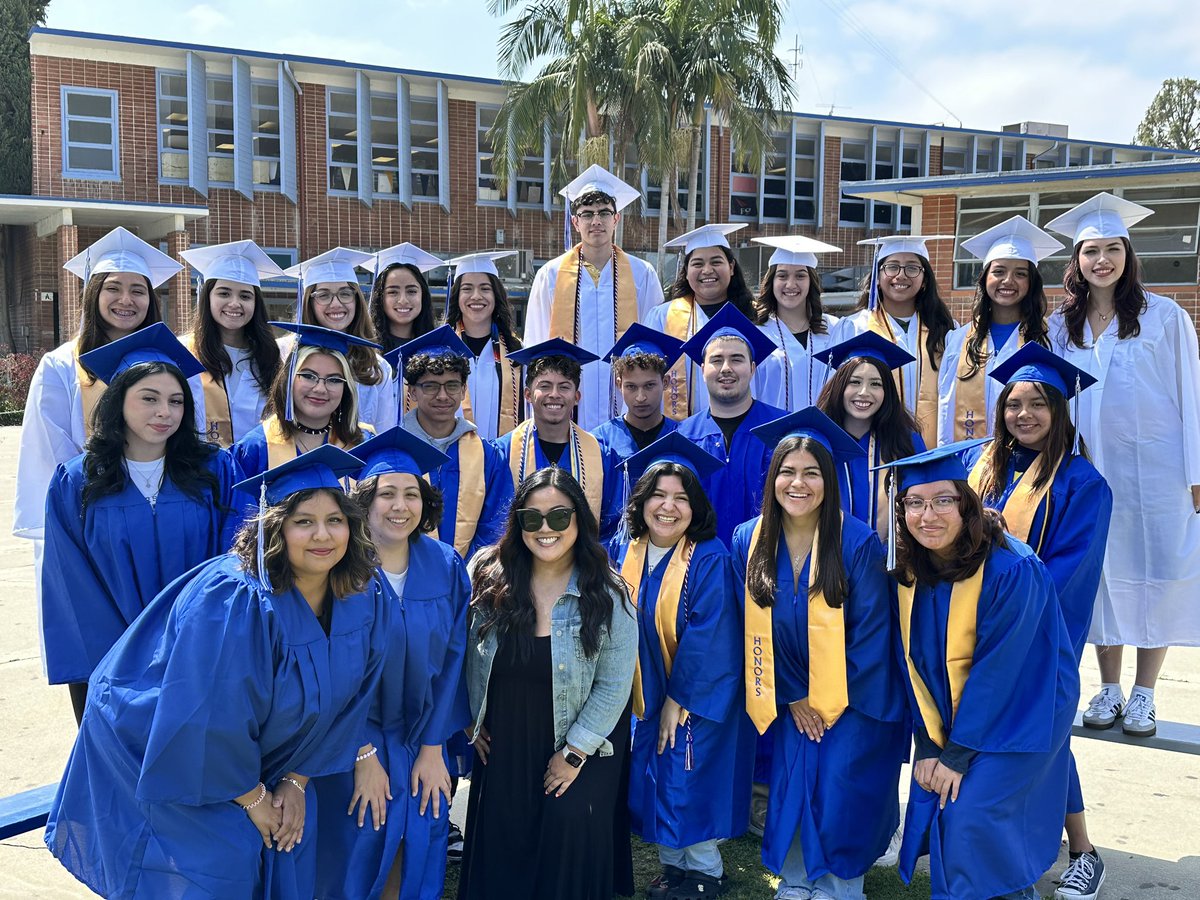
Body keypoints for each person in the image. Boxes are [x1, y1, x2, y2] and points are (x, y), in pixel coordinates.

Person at [45, 445, 389, 900]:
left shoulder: (359, 595)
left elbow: (352, 696)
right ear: (274, 527)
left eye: (335, 520)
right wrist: (253, 798)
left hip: (259, 754)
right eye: (303, 521)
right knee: (220, 864)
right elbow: (206, 713)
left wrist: (296, 779)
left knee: (292, 842)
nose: (322, 535)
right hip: (159, 746)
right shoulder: (236, 599)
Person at [876, 441, 1078, 900]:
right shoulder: (908, 570)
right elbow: (911, 663)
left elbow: (1000, 673)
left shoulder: (1011, 568)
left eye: (943, 500)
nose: (928, 515)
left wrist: (956, 754)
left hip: (1024, 711)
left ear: (965, 504)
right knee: (956, 814)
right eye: (914, 503)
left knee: (973, 817)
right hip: (954, 716)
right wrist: (928, 745)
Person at [733, 407, 906, 900]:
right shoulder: (750, 539)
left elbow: (872, 635)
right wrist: (791, 696)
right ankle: (794, 880)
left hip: (854, 699)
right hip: (788, 697)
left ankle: (840, 883)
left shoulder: (858, 542)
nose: (798, 483)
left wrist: (827, 697)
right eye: (787, 471)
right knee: (792, 785)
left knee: (839, 785)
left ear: (829, 481)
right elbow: (749, 632)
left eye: (812, 473)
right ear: (773, 478)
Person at [1046, 191, 1200, 737]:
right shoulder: (1062, 326)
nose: (1102, 260)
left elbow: (1191, 392)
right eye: (1091, 251)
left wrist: (1196, 474)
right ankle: (1107, 687)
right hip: (1089, 470)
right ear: (1078, 261)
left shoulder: (1164, 316)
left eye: (1112, 249)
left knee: (1156, 572)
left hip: (1156, 472)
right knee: (1102, 574)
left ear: (1128, 256)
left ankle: (1144, 693)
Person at [964, 344, 1113, 900]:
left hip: (1039, 637)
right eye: (1013, 404)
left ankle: (1082, 852)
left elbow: (1071, 576)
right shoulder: (979, 467)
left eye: (1037, 405)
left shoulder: (1082, 484)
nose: (1023, 415)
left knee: (1044, 741)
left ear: (1059, 412)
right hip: (968, 632)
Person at [41, 324, 237, 724]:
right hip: (112, 664)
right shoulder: (78, 481)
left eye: (176, 401)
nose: (165, 412)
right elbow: (71, 583)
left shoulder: (214, 470)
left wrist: (195, 643)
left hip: (199, 655)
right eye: (149, 398)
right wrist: (126, 659)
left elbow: (232, 559)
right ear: (118, 401)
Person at [457, 466, 637, 900]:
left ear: (578, 520)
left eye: (559, 517)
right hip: (507, 736)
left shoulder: (607, 594)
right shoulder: (489, 578)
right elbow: (462, 654)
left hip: (585, 738)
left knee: (566, 824)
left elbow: (614, 686)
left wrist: (573, 753)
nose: (545, 529)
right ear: (517, 524)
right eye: (531, 518)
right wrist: (470, 719)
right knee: (506, 834)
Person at [314, 427, 470, 900]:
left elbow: (454, 660)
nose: (400, 506)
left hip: (424, 735)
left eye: (411, 494)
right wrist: (362, 753)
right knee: (363, 834)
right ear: (363, 501)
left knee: (422, 831)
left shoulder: (445, 565)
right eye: (387, 494)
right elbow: (330, 673)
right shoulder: (340, 569)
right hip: (354, 739)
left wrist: (431, 748)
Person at [14, 227, 185, 644]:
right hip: (92, 520)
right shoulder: (59, 366)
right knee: (98, 636)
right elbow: (48, 455)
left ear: (152, 299)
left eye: (138, 290)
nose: (126, 300)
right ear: (93, 294)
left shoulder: (172, 362)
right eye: (113, 288)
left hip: (162, 516)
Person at [617, 432, 747, 900]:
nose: (668, 507)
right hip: (646, 692)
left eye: (681, 498)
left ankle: (706, 873)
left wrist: (679, 699)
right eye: (658, 495)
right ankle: (674, 869)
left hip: (696, 693)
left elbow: (710, 634)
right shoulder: (628, 548)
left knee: (688, 778)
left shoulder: (709, 558)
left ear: (696, 507)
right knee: (657, 779)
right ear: (642, 500)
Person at [524, 166, 665, 430]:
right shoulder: (551, 275)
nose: (596, 221)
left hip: (629, 404)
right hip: (569, 403)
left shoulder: (641, 274)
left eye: (604, 213)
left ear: (617, 219)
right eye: (587, 214)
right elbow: (537, 342)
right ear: (575, 222)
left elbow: (652, 343)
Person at [937, 217, 1061, 445]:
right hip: (969, 467)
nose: (1008, 281)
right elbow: (945, 413)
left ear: (1031, 282)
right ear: (985, 279)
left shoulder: (1051, 337)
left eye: (1020, 274)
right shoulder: (957, 340)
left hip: (1032, 465)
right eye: (999, 271)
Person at [393, 325, 513, 560]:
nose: (443, 396)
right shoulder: (394, 451)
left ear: (463, 390)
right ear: (413, 392)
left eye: (452, 385)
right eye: (430, 386)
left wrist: (466, 571)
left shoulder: (487, 455)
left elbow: (497, 524)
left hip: (472, 582)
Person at [676, 303, 789, 545]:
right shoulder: (683, 436)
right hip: (701, 568)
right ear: (703, 368)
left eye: (736, 359)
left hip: (769, 561)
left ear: (752, 368)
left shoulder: (783, 430)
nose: (726, 368)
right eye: (717, 360)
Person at [494, 339, 621, 544]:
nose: (554, 395)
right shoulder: (502, 453)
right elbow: (495, 526)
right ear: (527, 394)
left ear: (577, 396)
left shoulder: (602, 456)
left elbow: (612, 529)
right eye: (545, 386)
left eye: (564, 387)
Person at [834, 234, 957, 447]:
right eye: (892, 267)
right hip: (871, 449)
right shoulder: (854, 328)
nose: (901, 275)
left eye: (912, 268)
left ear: (925, 279)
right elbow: (835, 391)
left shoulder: (947, 331)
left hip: (933, 448)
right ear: (877, 278)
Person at [231, 324, 378, 480]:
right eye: (308, 376)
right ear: (289, 380)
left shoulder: (364, 445)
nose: (320, 389)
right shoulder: (254, 450)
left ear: (346, 389)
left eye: (334, 380)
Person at [816, 331, 924, 537]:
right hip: (829, 559)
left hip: (889, 561)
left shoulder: (906, 443)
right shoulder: (820, 441)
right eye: (854, 382)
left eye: (876, 384)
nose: (864, 392)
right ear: (839, 386)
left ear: (887, 392)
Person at [180, 240, 286, 446]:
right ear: (207, 297)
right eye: (224, 293)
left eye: (245, 296)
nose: (235, 303)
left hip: (257, 470)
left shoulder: (271, 357)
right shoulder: (183, 352)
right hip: (196, 470)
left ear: (256, 303)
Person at [645, 224, 755, 420]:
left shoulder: (754, 317)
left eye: (716, 262)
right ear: (686, 272)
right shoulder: (663, 317)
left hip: (743, 428)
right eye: (697, 264)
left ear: (731, 268)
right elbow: (643, 376)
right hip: (678, 432)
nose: (707, 270)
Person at [285, 247, 396, 432]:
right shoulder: (285, 353)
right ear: (308, 302)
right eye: (323, 295)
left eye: (345, 293)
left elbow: (384, 431)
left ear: (357, 300)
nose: (336, 303)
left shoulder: (376, 367)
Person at [749, 235, 843, 412]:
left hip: (825, 434)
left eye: (800, 275)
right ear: (772, 282)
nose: (790, 284)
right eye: (782, 275)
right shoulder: (756, 334)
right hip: (771, 434)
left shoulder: (835, 330)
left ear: (811, 282)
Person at [444, 251, 525, 440]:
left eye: (485, 289)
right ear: (456, 296)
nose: (476, 296)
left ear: (496, 295)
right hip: (452, 462)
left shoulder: (517, 352)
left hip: (502, 460)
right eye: (467, 289)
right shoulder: (442, 349)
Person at [592, 323, 683, 464]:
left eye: (649, 385)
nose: (641, 397)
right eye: (631, 387)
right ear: (619, 384)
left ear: (665, 382)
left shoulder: (681, 438)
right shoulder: (600, 441)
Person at [364, 242, 443, 356]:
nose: (403, 300)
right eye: (393, 292)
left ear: (423, 295)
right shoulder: (365, 349)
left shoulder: (438, 347)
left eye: (411, 291)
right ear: (380, 297)